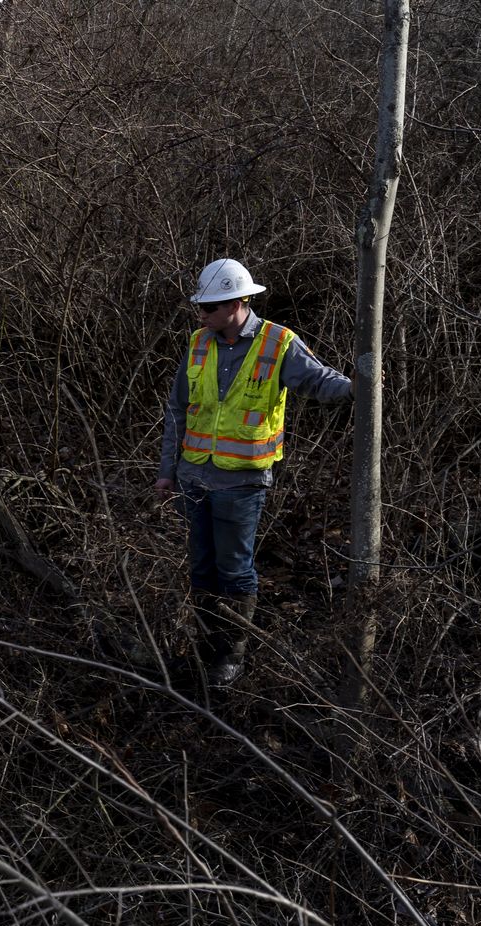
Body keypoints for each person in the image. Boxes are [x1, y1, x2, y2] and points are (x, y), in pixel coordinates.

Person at [155, 258, 353, 685]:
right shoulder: (198, 342)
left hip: (241, 482)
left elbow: (320, 382)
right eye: (202, 308)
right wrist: (167, 470)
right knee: (201, 568)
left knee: (235, 570)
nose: (202, 315)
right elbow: (178, 410)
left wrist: (362, 386)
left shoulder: (278, 343)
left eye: (210, 308)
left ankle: (231, 655)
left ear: (238, 302)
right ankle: (206, 645)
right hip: (193, 477)